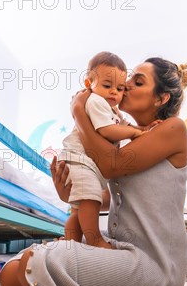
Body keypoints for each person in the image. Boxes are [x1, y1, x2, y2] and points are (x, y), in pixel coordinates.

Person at [0, 57, 187, 286]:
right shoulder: (128, 138)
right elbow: (117, 199)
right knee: (9, 272)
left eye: (138, 81)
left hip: (155, 265)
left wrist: (79, 110)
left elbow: (109, 165)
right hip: (119, 249)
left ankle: (52, 264)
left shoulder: (173, 128)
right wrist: (73, 194)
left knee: (26, 267)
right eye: (129, 79)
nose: (127, 85)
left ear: (160, 98)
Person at [61, 52, 153, 249]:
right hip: (80, 160)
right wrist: (135, 133)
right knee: (90, 200)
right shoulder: (95, 101)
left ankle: (70, 243)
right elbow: (108, 130)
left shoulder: (111, 109)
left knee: (78, 210)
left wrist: (141, 129)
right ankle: (94, 240)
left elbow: (123, 123)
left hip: (87, 164)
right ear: (89, 84)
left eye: (120, 88)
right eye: (106, 86)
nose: (115, 92)